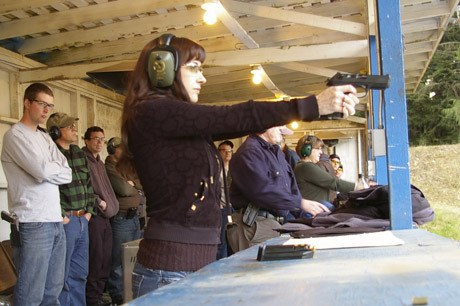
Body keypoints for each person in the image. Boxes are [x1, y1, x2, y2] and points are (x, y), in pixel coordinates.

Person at [118, 33, 358, 297]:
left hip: (189, 265)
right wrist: (311, 105)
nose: (203, 78)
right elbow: (234, 116)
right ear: (161, 67)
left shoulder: (174, 121)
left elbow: (235, 119)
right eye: (194, 68)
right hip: (170, 270)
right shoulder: (152, 111)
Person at [1, 83, 72, 305]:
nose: (46, 111)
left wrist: (47, 170)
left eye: (49, 106)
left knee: (52, 290)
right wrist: (48, 170)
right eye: (42, 104)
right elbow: (40, 170)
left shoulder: (44, 138)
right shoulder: (15, 136)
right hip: (33, 222)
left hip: (54, 220)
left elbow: (67, 173)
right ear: (27, 102)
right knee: (31, 293)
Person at [228, 126, 331, 252]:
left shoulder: (276, 152)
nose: (282, 134)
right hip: (253, 226)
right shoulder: (250, 152)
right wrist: (300, 203)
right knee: (255, 271)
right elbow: (262, 191)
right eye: (279, 129)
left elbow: (289, 186)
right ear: (266, 126)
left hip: (273, 224)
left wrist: (305, 214)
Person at [46, 112, 95, 306]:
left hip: (83, 219)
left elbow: (88, 184)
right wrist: (62, 214)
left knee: (80, 273)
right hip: (66, 221)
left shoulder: (79, 152)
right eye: (69, 126)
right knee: (62, 276)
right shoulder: (51, 153)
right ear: (56, 131)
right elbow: (48, 188)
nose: (74, 129)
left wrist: (89, 211)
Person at [105, 137, 145, 305]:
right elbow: (124, 189)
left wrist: (133, 184)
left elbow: (141, 184)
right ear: (113, 149)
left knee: (134, 258)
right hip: (121, 219)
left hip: (135, 217)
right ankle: (117, 294)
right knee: (118, 260)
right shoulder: (109, 166)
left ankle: (129, 291)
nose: (125, 151)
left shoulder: (126, 167)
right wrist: (132, 186)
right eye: (121, 148)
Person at [83, 126, 119, 306]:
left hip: (107, 218)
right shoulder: (84, 160)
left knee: (106, 258)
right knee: (96, 259)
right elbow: (84, 188)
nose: (99, 143)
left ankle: (98, 296)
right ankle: (91, 299)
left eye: (102, 139)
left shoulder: (100, 163)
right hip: (94, 217)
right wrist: (98, 202)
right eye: (95, 139)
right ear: (86, 141)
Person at [294, 135, 355, 206]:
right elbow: (333, 183)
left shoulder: (303, 166)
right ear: (307, 149)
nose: (321, 152)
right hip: (312, 214)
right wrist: (357, 187)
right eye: (318, 149)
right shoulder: (306, 166)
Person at [216, 140, 234, 259]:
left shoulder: (234, 169)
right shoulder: (215, 170)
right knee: (222, 240)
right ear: (219, 152)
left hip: (233, 208)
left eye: (229, 151)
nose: (227, 153)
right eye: (224, 151)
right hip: (221, 208)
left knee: (233, 238)